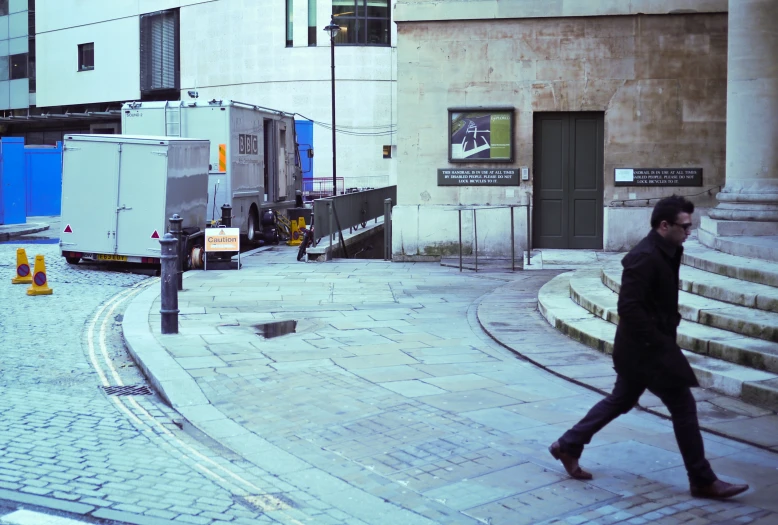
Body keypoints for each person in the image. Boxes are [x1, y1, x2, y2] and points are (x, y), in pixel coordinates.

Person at [549, 195, 749, 500]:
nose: (689, 232)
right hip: (645, 349)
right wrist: (660, 344)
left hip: (643, 347)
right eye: (684, 226)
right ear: (664, 225)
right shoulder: (644, 257)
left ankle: (568, 444)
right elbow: (629, 308)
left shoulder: (670, 249)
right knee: (683, 406)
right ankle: (702, 479)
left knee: (621, 400)